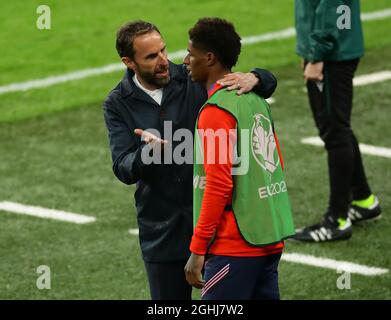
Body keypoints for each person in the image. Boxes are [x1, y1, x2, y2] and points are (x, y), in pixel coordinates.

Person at [103, 20, 278, 299]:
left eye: (162, 50)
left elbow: (252, 82)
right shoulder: (117, 102)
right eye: (151, 56)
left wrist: (257, 77)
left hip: (215, 228)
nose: (163, 61)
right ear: (129, 62)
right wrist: (148, 154)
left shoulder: (191, 74)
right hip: (162, 232)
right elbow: (122, 166)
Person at [183, 17, 295, 300]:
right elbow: (274, 163)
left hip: (235, 246)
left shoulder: (215, 112)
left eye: (190, 54)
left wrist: (197, 250)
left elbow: (218, 186)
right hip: (268, 238)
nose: (185, 60)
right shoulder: (255, 98)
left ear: (209, 58)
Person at [292, 0, 381, 242]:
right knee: (338, 128)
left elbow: (331, 5)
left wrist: (317, 53)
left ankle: (337, 220)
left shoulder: (325, 50)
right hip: (335, 49)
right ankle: (363, 199)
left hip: (332, 54)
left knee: (335, 133)